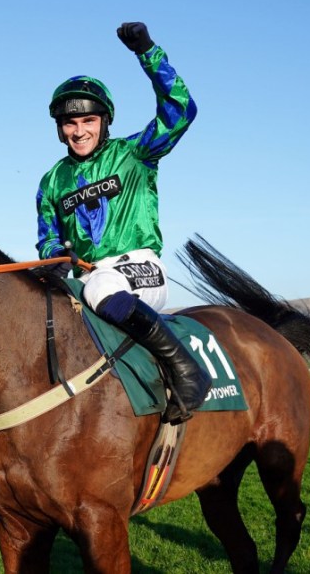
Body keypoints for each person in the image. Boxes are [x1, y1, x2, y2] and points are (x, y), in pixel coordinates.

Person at [36, 21, 212, 424]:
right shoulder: (51, 181)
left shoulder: (135, 152)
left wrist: (147, 52)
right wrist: (55, 257)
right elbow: (47, 238)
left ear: (105, 122)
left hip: (140, 269)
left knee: (101, 285)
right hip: (84, 278)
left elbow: (182, 110)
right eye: (69, 123)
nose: (78, 132)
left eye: (87, 122)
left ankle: (188, 372)